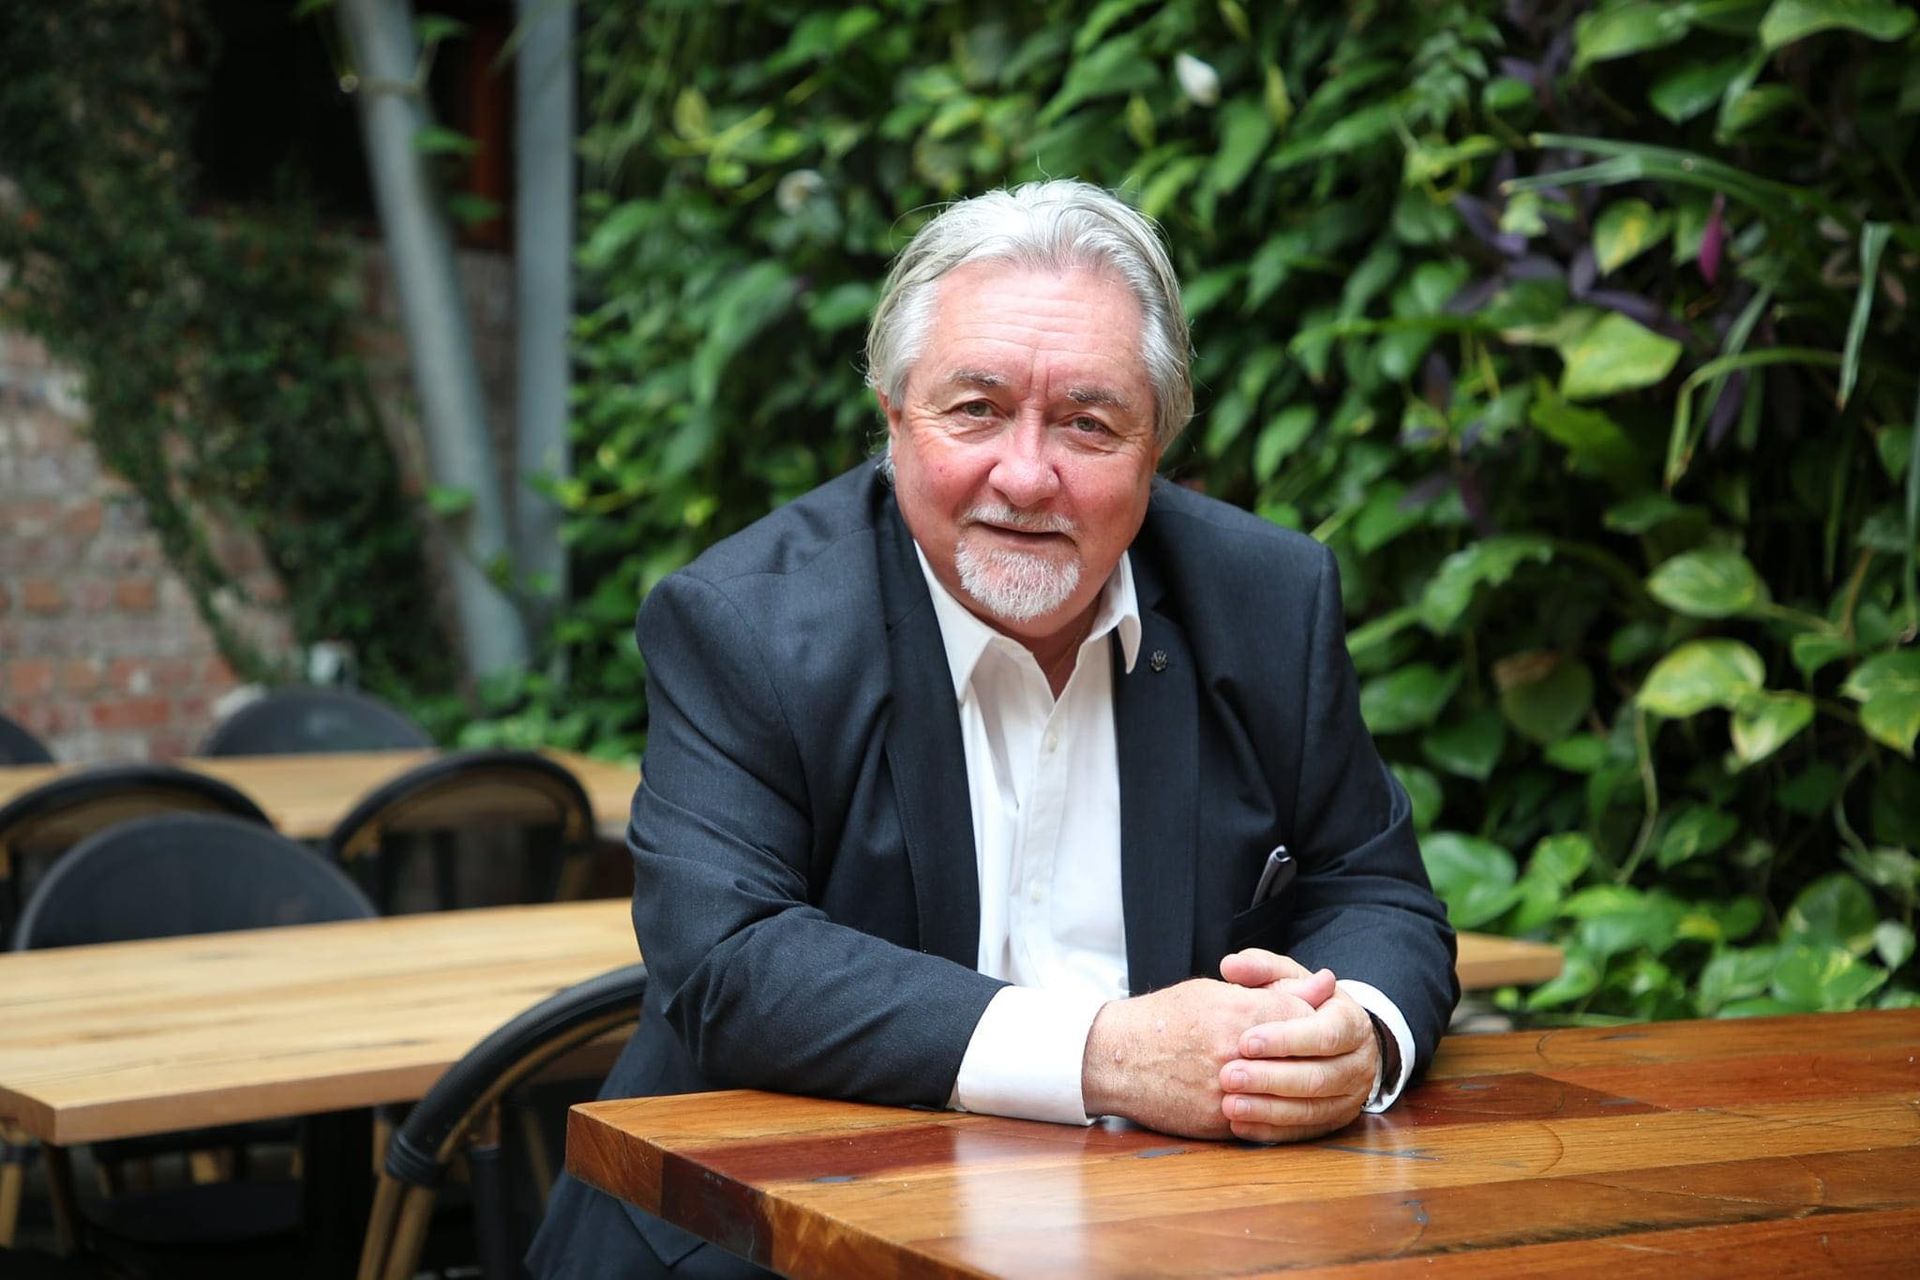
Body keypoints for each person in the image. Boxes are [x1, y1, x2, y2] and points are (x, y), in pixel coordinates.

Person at [529, 179, 1456, 1278]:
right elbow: (730, 962)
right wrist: (1102, 1054)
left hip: (1172, 1231)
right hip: (769, 1238)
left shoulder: (1267, 597)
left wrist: (1354, 1031)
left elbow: (1375, 886)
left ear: (1157, 442)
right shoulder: (748, 622)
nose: (1025, 473)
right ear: (893, 413)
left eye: (1088, 421)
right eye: (974, 409)